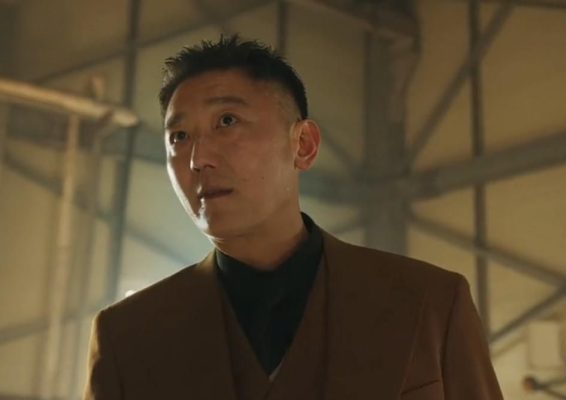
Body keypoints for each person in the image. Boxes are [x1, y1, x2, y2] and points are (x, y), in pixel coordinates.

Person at [84, 35, 503, 400]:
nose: (198, 159)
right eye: (179, 137)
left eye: (227, 121)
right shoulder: (128, 337)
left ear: (303, 144)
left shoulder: (429, 305)